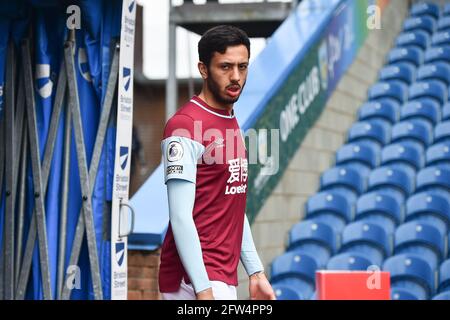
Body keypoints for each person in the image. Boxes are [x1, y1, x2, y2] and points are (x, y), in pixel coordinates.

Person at [159, 25, 275, 300]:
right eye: (225, 67)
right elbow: (179, 216)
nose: (236, 77)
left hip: (221, 276)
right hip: (196, 277)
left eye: (242, 66)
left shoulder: (229, 120)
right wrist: (203, 289)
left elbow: (232, 205)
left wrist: (255, 272)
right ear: (203, 69)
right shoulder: (183, 126)